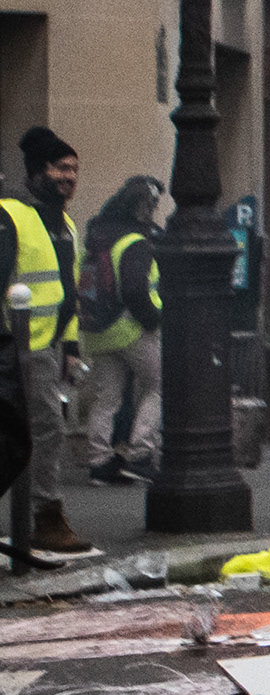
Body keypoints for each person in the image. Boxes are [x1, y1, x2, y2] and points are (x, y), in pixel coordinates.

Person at [4, 126, 87, 565]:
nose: (68, 177)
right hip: (18, 346)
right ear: (38, 171)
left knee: (38, 429)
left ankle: (42, 517)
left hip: (47, 347)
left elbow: (67, 290)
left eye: (73, 169)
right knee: (47, 428)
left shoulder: (66, 224)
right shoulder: (11, 216)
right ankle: (45, 517)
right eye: (59, 168)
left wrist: (70, 346)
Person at [75, 176, 165, 485]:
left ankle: (100, 462)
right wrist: (153, 320)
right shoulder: (134, 242)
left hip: (96, 331)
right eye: (152, 204)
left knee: (107, 398)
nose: (153, 210)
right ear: (141, 207)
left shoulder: (97, 237)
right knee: (159, 384)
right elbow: (136, 291)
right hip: (130, 329)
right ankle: (140, 455)